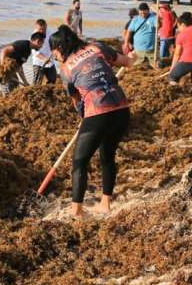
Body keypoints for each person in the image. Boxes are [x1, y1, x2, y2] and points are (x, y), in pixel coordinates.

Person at [49, 25, 136, 218]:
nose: (53, 56)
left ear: (60, 47)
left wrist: (85, 118)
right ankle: (105, 204)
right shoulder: (97, 47)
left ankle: (77, 211)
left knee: (79, 162)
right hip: (121, 109)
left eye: (53, 50)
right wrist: (133, 57)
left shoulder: (66, 69)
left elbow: (77, 101)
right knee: (107, 155)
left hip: (98, 112)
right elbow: (127, 62)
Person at [126, 2, 157, 67]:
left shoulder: (153, 18)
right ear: (139, 11)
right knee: (136, 65)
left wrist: (158, 14)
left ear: (148, 10)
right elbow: (129, 31)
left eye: (144, 12)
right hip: (138, 49)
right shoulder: (135, 19)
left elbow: (158, 26)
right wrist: (126, 43)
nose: (143, 14)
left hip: (150, 49)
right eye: (141, 12)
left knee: (154, 65)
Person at [31, 19, 57, 84]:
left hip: (50, 61)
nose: (42, 31)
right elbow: (35, 52)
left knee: (53, 79)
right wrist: (44, 58)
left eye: (44, 29)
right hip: (38, 62)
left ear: (46, 26)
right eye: (40, 29)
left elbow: (55, 44)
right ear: (36, 28)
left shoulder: (51, 33)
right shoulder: (34, 36)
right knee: (37, 83)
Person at [157, 2, 176, 68]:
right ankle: (166, 64)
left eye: (161, 8)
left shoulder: (166, 13)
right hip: (169, 35)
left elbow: (158, 13)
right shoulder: (170, 13)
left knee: (162, 53)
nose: (160, 9)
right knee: (166, 51)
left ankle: (161, 65)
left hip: (166, 36)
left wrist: (155, 7)